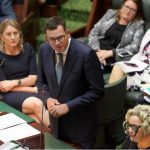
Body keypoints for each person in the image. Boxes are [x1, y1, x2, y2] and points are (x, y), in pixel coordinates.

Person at [36, 16, 104, 149]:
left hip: (81, 128)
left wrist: (68, 106)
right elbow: (40, 82)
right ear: (46, 38)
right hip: (56, 127)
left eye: (60, 37)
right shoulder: (44, 50)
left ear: (68, 33)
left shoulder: (86, 54)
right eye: (52, 39)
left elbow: (98, 91)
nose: (56, 43)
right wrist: (48, 99)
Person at [0, 19, 49, 127]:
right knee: (37, 104)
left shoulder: (27, 49)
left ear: (20, 34)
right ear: (2, 37)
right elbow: (4, 87)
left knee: (35, 117)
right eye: (8, 34)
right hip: (10, 95)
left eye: (15, 33)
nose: (13, 37)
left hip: (30, 89)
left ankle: (50, 137)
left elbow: (34, 77)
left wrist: (13, 82)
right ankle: (58, 134)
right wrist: (31, 89)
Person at [88, 0, 144, 73]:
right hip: (95, 51)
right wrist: (97, 52)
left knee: (89, 68)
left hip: (111, 59)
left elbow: (135, 47)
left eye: (133, 10)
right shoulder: (110, 13)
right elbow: (94, 32)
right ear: (122, 5)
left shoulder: (138, 24)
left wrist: (111, 53)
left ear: (137, 13)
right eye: (127, 6)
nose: (128, 11)